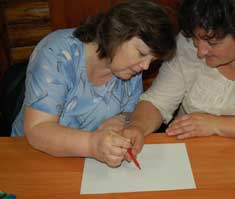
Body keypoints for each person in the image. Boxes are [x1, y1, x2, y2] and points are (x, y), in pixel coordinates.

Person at [11, 0, 176, 167]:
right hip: (29, 157)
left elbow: (129, 113)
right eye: (141, 53)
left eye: (152, 60)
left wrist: (121, 121)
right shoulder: (58, 53)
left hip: (84, 165)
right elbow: (37, 129)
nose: (146, 66)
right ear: (117, 33)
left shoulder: (131, 72)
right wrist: (92, 144)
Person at [124, 0, 235, 154]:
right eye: (195, 39)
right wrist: (137, 127)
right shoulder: (191, 38)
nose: (200, 51)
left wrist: (216, 125)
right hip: (192, 159)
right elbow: (157, 102)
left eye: (212, 42)